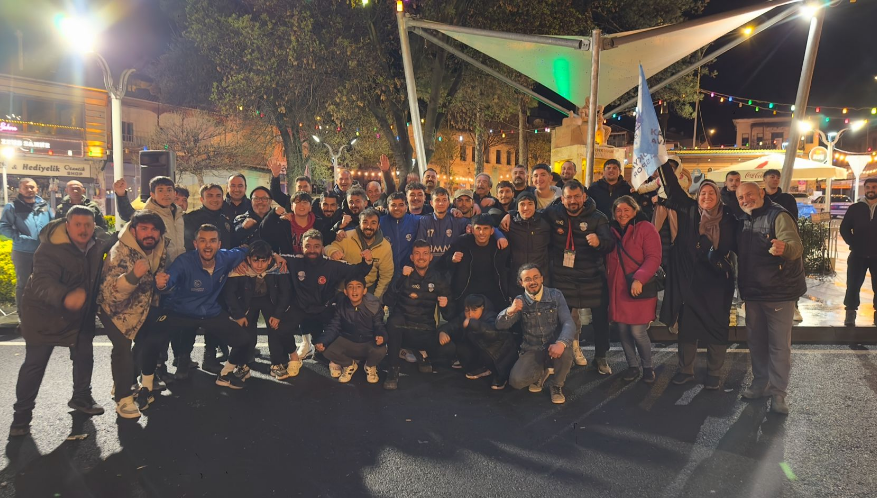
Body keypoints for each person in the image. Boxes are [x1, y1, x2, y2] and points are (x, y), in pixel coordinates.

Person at [9, 206, 113, 437]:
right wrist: (65, 296)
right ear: (67, 225)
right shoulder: (49, 249)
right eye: (78, 224)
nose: (83, 230)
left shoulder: (97, 243)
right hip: (44, 314)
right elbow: (41, 282)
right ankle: (21, 416)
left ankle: (81, 397)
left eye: (88, 225)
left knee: (84, 355)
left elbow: (118, 238)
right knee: (35, 364)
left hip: (80, 313)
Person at [658, 161, 737, 388]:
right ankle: (686, 370)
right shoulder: (690, 210)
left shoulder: (728, 215)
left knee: (717, 328)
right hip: (691, 281)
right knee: (688, 328)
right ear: (697, 196)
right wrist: (662, 161)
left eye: (711, 193)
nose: (706, 196)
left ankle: (714, 373)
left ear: (718, 196)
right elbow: (672, 188)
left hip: (717, 283)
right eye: (703, 193)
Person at [736, 182, 806, 414]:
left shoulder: (778, 215)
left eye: (749, 194)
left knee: (778, 346)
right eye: (740, 197)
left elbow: (796, 246)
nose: (745, 200)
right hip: (753, 293)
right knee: (756, 343)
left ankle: (778, 394)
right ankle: (761, 384)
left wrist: (784, 248)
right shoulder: (743, 219)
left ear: (762, 193)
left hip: (779, 292)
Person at [154, 224, 253, 389]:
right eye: (202, 241)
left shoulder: (226, 257)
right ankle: (147, 379)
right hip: (181, 311)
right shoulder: (184, 261)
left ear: (219, 244)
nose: (208, 245)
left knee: (244, 340)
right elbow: (169, 280)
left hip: (209, 311)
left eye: (212, 241)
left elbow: (246, 249)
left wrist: (273, 256)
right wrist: (161, 284)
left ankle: (225, 374)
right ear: (195, 244)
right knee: (150, 338)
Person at [97, 210, 170, 418]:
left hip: (141, 305)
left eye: (154, 229)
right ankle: (123, 399)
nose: (149, 234)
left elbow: (154, 279)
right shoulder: (120, 252)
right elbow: (110, 294)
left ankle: (127, 380)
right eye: (144, 228)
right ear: (134, 230)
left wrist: (160, 284)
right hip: (114, 309)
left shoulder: (160, 246)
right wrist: (132, 277)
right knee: (123, 348)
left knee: (147, 340)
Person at [543, 180, 614, 372]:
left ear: (584, 197)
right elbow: (532, 218)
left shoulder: (598, 217)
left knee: (600, 322)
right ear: (562, 198)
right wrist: (508, 217)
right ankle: (561, 359)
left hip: (593, 278)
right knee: (561, 322)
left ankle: (601, 357)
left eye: (577, 197)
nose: (573, 201)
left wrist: (599, 242)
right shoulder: (552, 213)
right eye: (569, 197)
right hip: (563, 278)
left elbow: (609, 244)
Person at [282, 229, 373, 372]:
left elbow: (356, 271)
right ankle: (294, 358)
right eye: (308, 246)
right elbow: (269, 256)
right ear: (301, 247)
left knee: (339, 329)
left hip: (324, 308)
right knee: (281, 327)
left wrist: (367, 261)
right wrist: (275, 257)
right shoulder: (294, 260)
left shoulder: (332, 265)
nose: (312, 250)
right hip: (301, 307)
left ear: (322, 247)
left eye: (316, 246)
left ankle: (334, 359)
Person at [496, 264, 576, 404]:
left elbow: (568, 322)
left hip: (554, 346)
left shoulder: (555, 295)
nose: (532, 282)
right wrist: (510, 311)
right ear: (521, 283)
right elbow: (500, 325)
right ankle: (541, 372)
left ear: (542, 278)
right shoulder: (519, 301)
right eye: (527, 279)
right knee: (516, 381)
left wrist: (561, 343)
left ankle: (556, 385)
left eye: (535, 277)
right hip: (532, 348)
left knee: (566, 350)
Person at [605, 196, 662, 383]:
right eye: (618, 211)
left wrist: (639, 278)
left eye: (626, 210)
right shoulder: (611, 231)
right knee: (622, 330)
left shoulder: (646, 228)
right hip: (619, 289)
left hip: (639, 288)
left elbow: (654, 257)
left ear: (635, 210)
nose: (622, 214)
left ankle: (648, 367)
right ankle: (632, 366)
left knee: (638, 331)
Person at [223, 241, 298, 380]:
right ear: (248, 259)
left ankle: (277, 363)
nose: (259, 265)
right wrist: (238, 315)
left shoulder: (278, 267)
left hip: (270, 300)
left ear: (270, 259)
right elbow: (229, 294)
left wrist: (278, 315)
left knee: (275, 327)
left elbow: (285, 293)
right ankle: (243, 364)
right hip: (247, 301)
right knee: (246, 330)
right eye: (255, 261)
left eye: (263, 261)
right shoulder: (240, 268)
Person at [382, 240, 451, 389]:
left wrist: (445, 305)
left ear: (431, 257)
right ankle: (393, 369)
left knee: (447, 349)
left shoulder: (438, 278)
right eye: (417, 253)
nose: (421, 257)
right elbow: (387, 300)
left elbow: (449, 314)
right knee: (393, 322)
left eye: (425, 253)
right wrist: (401, 278)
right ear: (412, 257)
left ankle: (420, 352)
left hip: (425, 329)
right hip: (403, 328)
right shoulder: (403, 273)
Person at [315, 276, 388, 384]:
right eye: (350, 287)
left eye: (358, 287)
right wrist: (323, 341)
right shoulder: (341, 305)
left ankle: (370, 366)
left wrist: (381, 336)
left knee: (381, 349)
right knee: (326, 349)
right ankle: (349, 364)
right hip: (349, 340)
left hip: (368, 341)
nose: (354, 290)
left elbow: (379, 325)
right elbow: (334, 326)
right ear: (345, 291)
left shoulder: (373, 305)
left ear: (364, 291)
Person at [438, 294, 516, 390]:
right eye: (467, 310)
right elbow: (452, 325)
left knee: (491, 354)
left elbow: (492, 333)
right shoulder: (464, 316)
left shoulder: (492, 316)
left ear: (482, 308)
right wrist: (443, 332)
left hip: (498, 356)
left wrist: (474, 324)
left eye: (474, 310)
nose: (470, 314)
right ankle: (479, 368)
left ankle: (501, 375)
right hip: (481, 352)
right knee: (460, 346)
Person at [440, 214, 510, 316]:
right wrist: (452, 260)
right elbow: (442, 264)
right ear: (472, 230)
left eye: (485, 229)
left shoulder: (500, 245)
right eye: (478, 228)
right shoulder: (461, 242)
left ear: (492, 231)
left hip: (493, 294)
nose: (481, 232)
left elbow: (508, 266)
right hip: (465, 292)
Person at [0, 178, 53, 308]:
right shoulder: (12, 207)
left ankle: (40, 311)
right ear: (20, 190)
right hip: (22, 252)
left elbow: (52, 224)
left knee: (44, 282)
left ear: (37, 189)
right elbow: (3, 226)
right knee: (23, 284)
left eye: (32, 187)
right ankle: (23, 313)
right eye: (26, 187)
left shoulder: (45, 205)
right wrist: (19, 238)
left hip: (43, 252)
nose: (29, 190)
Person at [325, 208, 394, 298]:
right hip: (343, 287)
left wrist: (376, 299)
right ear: (359, 223)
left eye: (373, 223)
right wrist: (333, 252)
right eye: (365, 222)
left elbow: (386, 276)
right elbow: (327, 247)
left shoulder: (385, 246)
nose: (368, 226)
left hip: (368, 287)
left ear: (378, 225)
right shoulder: (347, 236)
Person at [115, 176, 187, 262]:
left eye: (169, 190)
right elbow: (127, 214)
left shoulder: (179, 214)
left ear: (174, 193)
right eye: (160, 190)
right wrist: (121, 195)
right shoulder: (149, 214)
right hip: (158, 266)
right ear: (152, 195)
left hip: (181, 265)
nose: (166, 194)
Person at [840, 178, 877, 326]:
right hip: (857, 254)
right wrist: (853, 243)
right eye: (868, 187)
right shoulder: (855, 208)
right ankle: (850, 313)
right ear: (864, 189)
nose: (871, 190)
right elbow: (844, 228)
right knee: (853, 285)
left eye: (874, 187)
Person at [501, 191, 551, 298]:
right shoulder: (510, 224)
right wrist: (508, 214)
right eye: (522, 204)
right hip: (517, 279)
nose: (526, 208)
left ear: (535, 206)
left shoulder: (545, 223)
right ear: (517, 207)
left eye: (530, 204)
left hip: (540, 278)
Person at [416, 187, 471, 257]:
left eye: (444, 200)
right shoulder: (424, 221)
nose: (441, 203)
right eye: (437, 200)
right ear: (431, 203)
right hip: (430, 263)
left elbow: (473, 226)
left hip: (450, 263)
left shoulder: (458, 221)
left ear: (448, 203)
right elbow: (419, 245)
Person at [380, 192, 420, 279]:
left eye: (401, 205)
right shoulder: (380, 223)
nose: (397, 208)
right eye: (393, 205)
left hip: (409, 272)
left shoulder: (415, 221)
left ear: (406, 207)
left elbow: (434, 218)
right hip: (385, 273)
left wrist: (450, 211)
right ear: (387, 207)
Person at [184, 184, 233, 250]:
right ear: (202, 199)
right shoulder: (190, 220)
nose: (215, 199)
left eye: (218, 196)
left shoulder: (225, 220)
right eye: (210, 196)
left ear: (222, 199)